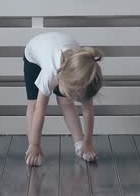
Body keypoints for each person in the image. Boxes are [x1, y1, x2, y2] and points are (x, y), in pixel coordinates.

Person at [23, 32, 103, 166]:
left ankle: (79, 143)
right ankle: (32, 147)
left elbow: (88, 110)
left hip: (63, 57)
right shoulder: (50, 73)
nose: (81, 101)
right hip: (34, 55)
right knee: (35, 103)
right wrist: (35, 144)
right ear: (62, 81)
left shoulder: (86, 74)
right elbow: (40, 111)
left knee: (66, 103)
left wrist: (87, 142)